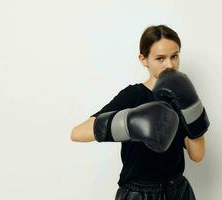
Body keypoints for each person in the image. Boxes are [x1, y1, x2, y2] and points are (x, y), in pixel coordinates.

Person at [71, 24, 209, 200]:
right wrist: (128, 122)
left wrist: (191, 107)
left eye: (174, 56)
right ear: (143, 59)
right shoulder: (133, 95)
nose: (170, 64)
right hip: (139, 194)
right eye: (160, 58)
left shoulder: (181, 94)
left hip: (178, 191)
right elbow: (77, 133)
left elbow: (197, 155)